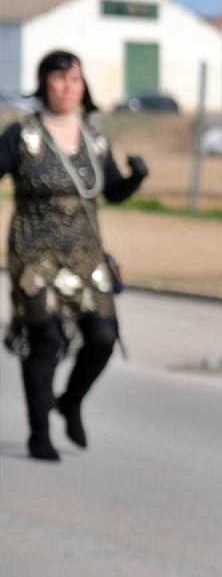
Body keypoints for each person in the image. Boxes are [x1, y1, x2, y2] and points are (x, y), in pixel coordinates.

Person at [0, 51, 149, 461]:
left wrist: (136, 176)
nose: (68, 87)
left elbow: (112, 191)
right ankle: (39, 434)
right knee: (44, 339)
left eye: (76, 80)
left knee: (102, 337)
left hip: (86, 252)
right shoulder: (21, 135)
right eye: (60, 78)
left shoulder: (94, 137)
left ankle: (70, 400)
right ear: (44, 82)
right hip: (34, 252)